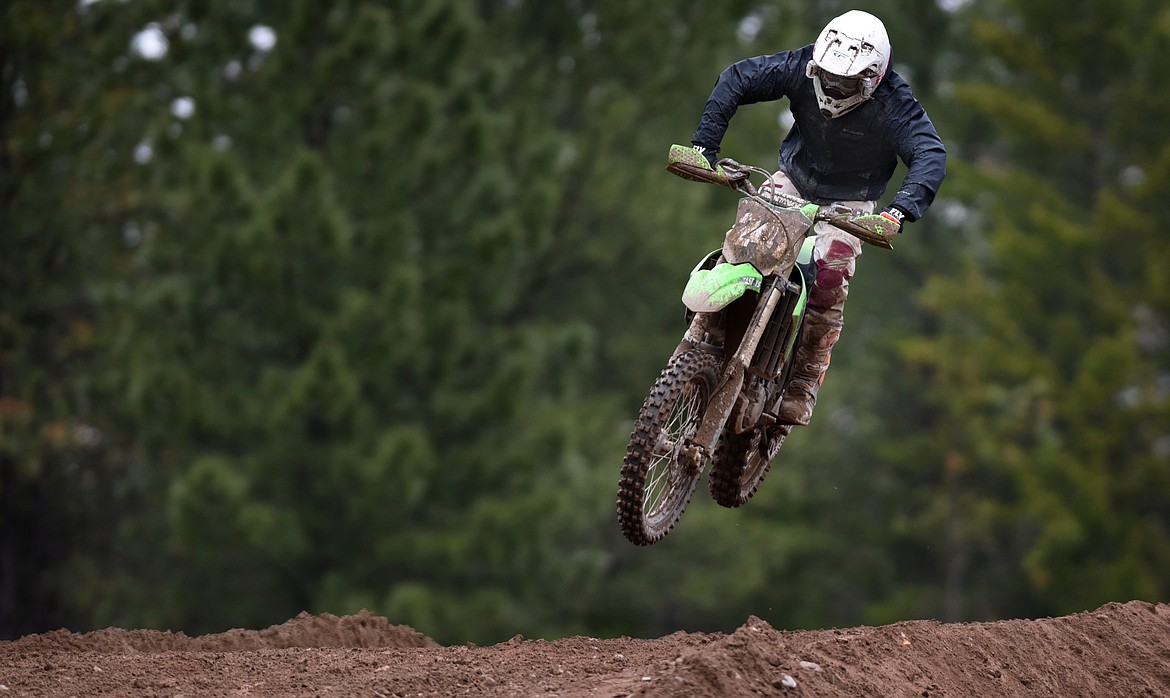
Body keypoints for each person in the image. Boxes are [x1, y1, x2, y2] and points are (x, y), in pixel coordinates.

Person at [689, 9, 947, 426]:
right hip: (793, 178)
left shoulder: (895, 105)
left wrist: (898, 212)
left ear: (872, 78)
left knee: (830, 273)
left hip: (853, 202)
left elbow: (930, 153)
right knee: (745, 242)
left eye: (845, 81)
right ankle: (708, 327)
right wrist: (704, 146)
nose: (832, 85)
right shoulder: (801, 66)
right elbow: (738, 77)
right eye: (826, 75)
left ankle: (804, 379)